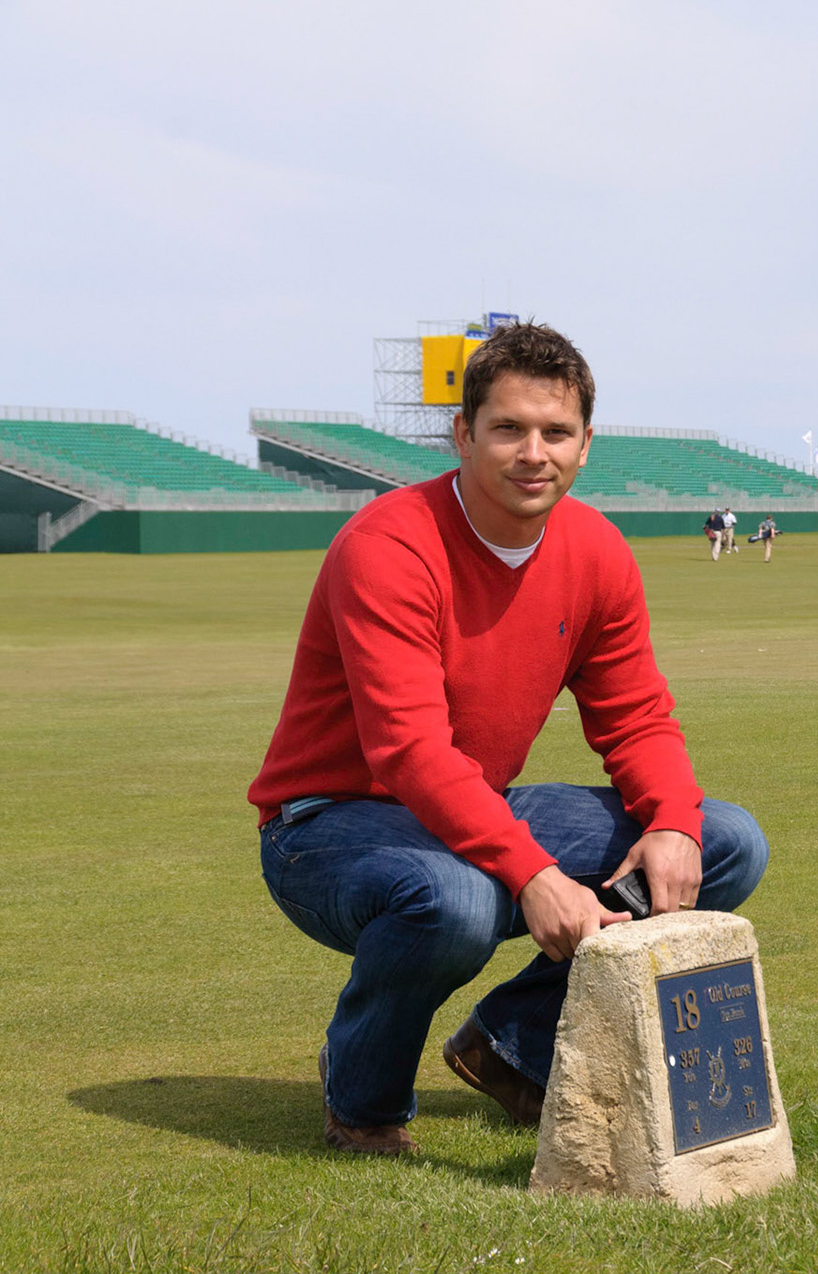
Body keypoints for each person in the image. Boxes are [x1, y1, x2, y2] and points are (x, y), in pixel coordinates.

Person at [248, 323, 769, 1156]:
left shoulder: (595, 550)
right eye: (508, 429)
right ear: (464, 434)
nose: (534, 452)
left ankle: (510, 1046)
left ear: (586, 444)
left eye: (556, 432)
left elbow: (635, 713)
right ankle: (363, 1104)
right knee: (458, 900)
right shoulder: (388, 545)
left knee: (724, 841)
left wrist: (672, 817)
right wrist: (530, 873)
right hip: (326, 823)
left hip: (464, 805)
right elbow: (409, 750)